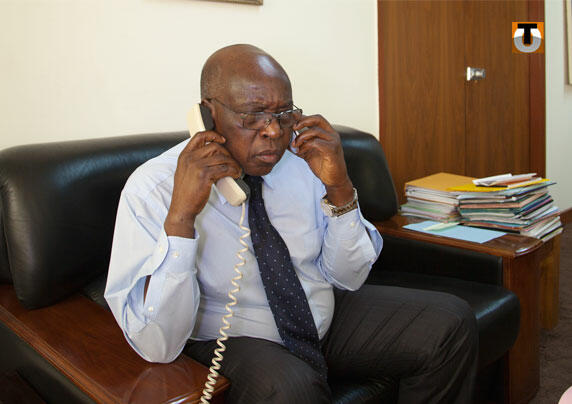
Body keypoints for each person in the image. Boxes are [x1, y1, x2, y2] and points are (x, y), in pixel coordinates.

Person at [105, 44, 478, 403]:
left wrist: (339, 188)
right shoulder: (153, 188)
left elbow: (348, 277)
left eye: (283, 114)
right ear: (208, 114)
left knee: (450, 324)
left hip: (319, 315)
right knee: (288, 389)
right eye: (253, 115)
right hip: (235, 336)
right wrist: (182, 218)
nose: (273, 131)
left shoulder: (304, 161)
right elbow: (157, 345)